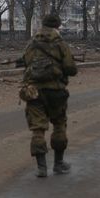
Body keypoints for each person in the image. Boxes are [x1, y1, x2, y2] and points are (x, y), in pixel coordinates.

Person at [20, 13, 78, 177]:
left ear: (43, 24)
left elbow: (25, 62)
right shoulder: (60, 44)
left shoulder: (32, 43)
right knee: (59, 125)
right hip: (56, 92)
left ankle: (41, 168)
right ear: (58, 26)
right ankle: (58, 164)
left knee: (38, 129)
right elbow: (71, 69)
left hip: (34, 92)